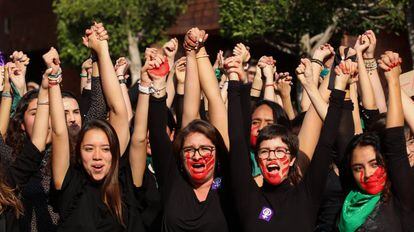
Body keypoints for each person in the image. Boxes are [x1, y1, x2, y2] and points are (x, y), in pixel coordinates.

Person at [227, 54, 354, 231]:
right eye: (265, 151)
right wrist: (234, 81)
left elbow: (326, 141)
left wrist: (339, 89)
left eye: (280, 151)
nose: (272, 157)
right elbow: (237, 140)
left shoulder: (307, 194)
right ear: (257, 158)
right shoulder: (248, 196)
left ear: (293, 158)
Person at [49, 23, 146, 231]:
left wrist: (102, 50)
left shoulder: (121, 181)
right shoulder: (68, 184)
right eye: (89, 149)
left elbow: (117, 109)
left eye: (105, 148)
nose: (97, 157)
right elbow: (58, 132)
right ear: (78, 151)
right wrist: (53, 79)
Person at [337, 51, 414, 231]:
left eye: (374, 163)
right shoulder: (349, 196)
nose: (368, 173)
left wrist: (393, 81)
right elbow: (344, 135)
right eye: (358, 168)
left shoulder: (401, 193)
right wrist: (345, 87)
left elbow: (394, 141)